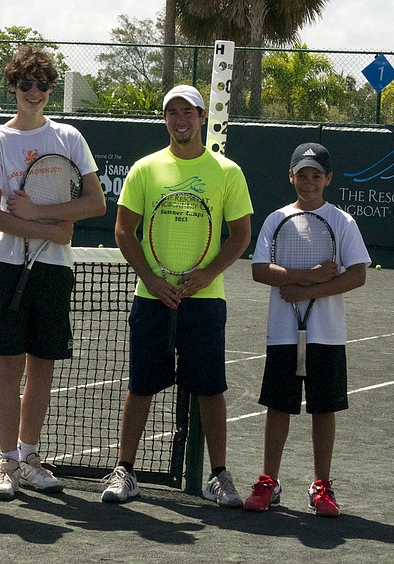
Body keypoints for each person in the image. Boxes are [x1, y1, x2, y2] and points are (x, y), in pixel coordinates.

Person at [102, 85, 253, 507]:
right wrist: (150, 279)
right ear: (165, 118)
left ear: (202, 117)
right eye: (173, 112)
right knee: (141, 386)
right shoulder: (145, 169)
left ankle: (219, 476)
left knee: (209, 389)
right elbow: (123, 229)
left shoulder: (228, 172)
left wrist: (207, 274)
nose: (180, 119)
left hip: (205, 301)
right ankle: (125, 471)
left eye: (188, 112)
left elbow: (241, 234)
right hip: (152, 298)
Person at [0, 45, 106, 501]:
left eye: (43, 85)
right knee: (9, 365)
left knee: (43, 366)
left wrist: (38, 213)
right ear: (13, 87)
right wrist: (49, 228)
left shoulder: (69, 137)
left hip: (53, 270)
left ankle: (30, 457)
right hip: (9, 265)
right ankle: (7, 462)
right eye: (26, 84)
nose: (35, 92)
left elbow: (95, 202)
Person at [243, 142, 369, 517]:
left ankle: (322, 486)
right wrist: (309, 277)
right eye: (302, 175)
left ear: (328, 179)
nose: (308, 182)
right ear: (291, 176)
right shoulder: (276, 219)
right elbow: (260, 270)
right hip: (282, 333)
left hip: (327, 335)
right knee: (278, 407)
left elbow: (357, 275)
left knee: (323, 409)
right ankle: (268, 482)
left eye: (316, 176)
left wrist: (308, 291)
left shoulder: (342, 222)